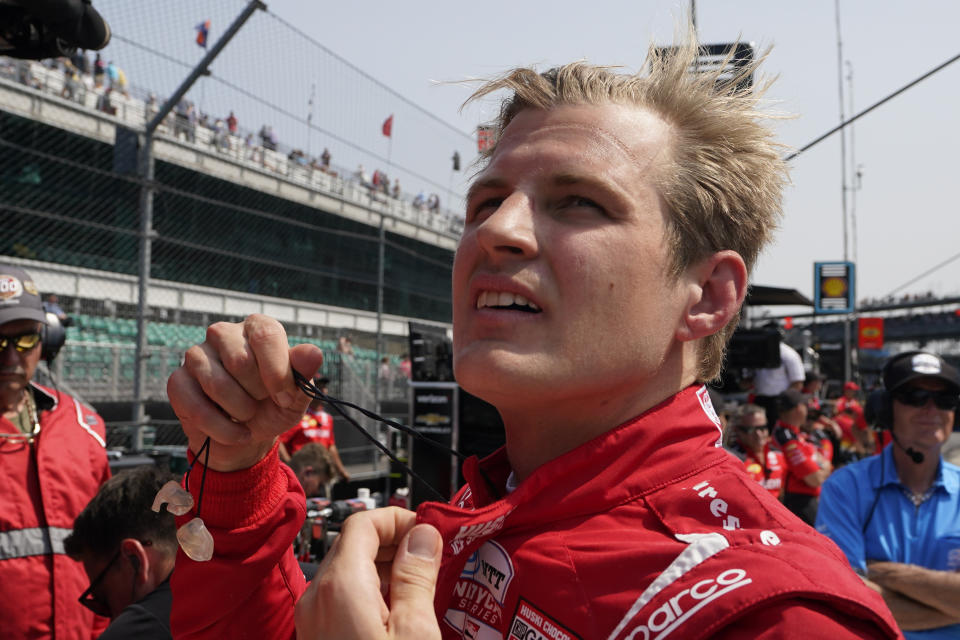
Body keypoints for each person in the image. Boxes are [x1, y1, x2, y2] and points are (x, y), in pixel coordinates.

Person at [165, 41, 900, 639]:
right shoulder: (479, 511)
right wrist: (237, 476)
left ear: (705, 296)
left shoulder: (778, 617)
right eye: (486, 201)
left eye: (578, 202)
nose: (496, 231)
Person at [0, 263, 111, 639]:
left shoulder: (85, 426)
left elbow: (105, 547)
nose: (12, 357)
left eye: (26, 340)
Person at [817, 351, 960, 638]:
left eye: (943, 400)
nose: (931, 409)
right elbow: (847, 600)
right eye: (915, 396)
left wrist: (880, 573)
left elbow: (865, 594)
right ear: (884, 409)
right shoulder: (845, 488)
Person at [64, 465, 177, 639]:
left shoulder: (135, 632)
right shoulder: (228, 589)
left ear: (135, 559)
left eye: (104, 602)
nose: (111, 620)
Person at [773, 388, 832, 525]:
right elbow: (814, 479)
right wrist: (825, 468)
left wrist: (822, 467)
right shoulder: (786, 438)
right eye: (805, 406)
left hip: (806, 501)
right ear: (799, 409)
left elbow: (821, 464)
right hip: (799, 503)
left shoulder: (795, 434)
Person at [277, 376, 350, 482]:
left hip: (322, 476)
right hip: (303, 477)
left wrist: (341, 470)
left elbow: (331, 447)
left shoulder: (327, 418)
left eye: (324, 387)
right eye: (319, 387)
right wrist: (291, 466)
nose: (324, 391)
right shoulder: (297, 417)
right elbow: (279, 440)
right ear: (309, 390)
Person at [725, 403, 786, 499]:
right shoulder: (732, 460)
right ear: (737, 430)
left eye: (762, 428)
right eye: (750, 430)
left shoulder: (779, 454)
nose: (758, 434)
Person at [751, 339, 805, 426]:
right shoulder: (757, 351)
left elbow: (797, 382)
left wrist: (787, 403)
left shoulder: (789, 354)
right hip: (759, 400)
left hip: (779, 402)